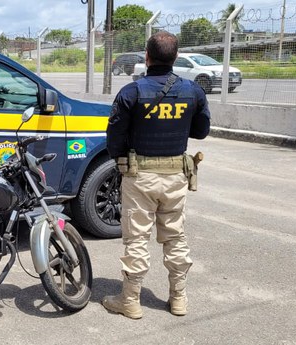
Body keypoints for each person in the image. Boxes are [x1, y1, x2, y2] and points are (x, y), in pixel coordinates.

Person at [102, 31, 210, 319]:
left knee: (136, 239)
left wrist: (123, 160)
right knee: (175, 236)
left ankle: (130, 301)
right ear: (175, 57)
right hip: (176, 176)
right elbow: (201, 131)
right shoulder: (193, 92)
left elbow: (114, 140)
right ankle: (179, 300)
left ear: (146, 57)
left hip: (139, 177)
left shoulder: (131, 92)